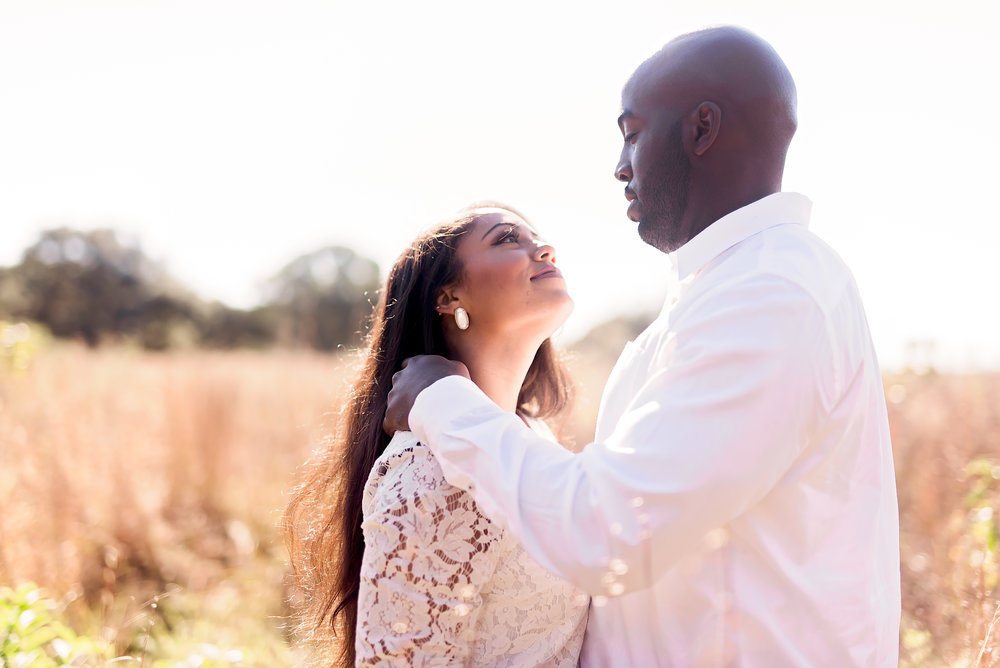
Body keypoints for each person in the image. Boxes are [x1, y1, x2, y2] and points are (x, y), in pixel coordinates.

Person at [383, 26, 901, 666]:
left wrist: (443, 403)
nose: (621, 166)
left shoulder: (773, 292)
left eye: (631, 132)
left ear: (701, 130)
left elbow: (610, 533)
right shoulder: (714, 298)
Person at [284, 203, 589, 667]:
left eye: (536, 237)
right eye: (508, 239)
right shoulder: (428, 470)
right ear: (448, 297)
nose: (544, 248)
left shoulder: (536, 436)